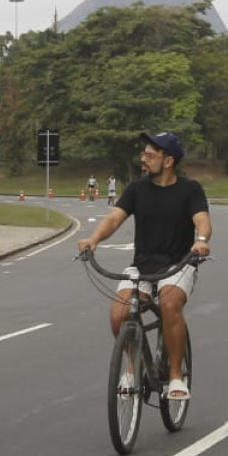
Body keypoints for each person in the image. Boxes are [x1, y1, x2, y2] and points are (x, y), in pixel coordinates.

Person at [75, 131, 211, 402]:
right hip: (142, 266)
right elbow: (114, 219)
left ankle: (174, 376)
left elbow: (202, 220)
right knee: (119, 314)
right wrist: (94, 239)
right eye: (143, 155)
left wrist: (202, 242)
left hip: (178, 264)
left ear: (168, 160)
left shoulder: (190, 189)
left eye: (150, 155)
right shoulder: (137, 189)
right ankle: (132, 365)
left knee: (170, 305)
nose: (143, 159)